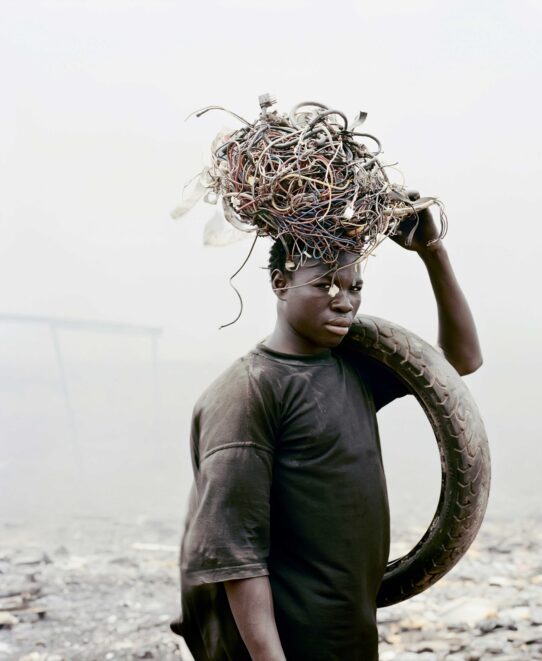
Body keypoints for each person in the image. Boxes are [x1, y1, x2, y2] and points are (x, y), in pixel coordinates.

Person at [171, 195, 482, 660]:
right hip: (281, 642)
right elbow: (236, 554)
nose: (345, 301)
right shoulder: (250, 391)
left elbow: (460, 362)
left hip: (344, 629)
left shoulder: (353, 369)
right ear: (280, 283)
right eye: (324, 285)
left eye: (355, 286)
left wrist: (432, 251)